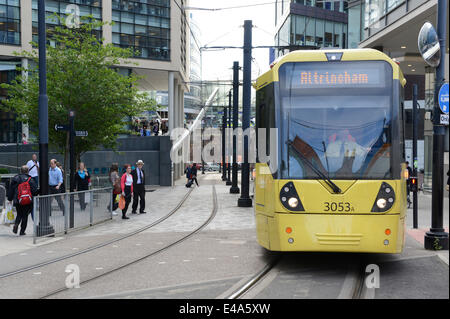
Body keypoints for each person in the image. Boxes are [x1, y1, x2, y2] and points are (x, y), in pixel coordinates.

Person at [7, 165, 38, 235]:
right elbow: (34, 191)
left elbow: (11, 189)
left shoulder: (15, 178)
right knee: (25, 215)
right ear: (28, 171)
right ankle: (22, 231)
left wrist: (10, 199)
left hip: (18, 200)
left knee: (19, 214)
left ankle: (16, 224)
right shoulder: (30, 179)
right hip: (27, 201)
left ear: (20, 171)